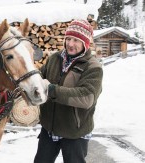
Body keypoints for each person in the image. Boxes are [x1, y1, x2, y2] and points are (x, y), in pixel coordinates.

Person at [34, 19, 103, 163]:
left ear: (85, 43)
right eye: (68, 39)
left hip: (75, 132)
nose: (70, 44)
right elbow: (39, 78)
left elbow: (86, 98)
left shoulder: (92, 67)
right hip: (49, 128)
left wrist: (52, 90)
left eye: (76, 40)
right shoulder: (54, 58)